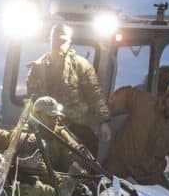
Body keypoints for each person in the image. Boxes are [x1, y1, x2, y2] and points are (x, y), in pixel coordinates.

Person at [25, 23, 111, 154]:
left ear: (69, 42)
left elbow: (95, 94)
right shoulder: (37, 69)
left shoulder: (81, 66)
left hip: (76, 125)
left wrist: (104, 121)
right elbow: (32, 102)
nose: (59, 43)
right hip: (47, 127)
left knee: (88, 148)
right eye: (56, 40)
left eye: (63, 40)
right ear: (50, 40)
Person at [104, 86, 169, 192]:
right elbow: (126, 94)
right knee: (100, 186)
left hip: (148, 175)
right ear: (166, 97)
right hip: (120, 161)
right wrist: (103, 116)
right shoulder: (144, 102)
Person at [13, 96, 85, 196]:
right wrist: (72, 179)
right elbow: (45, 174)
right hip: (45, 192)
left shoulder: (59, 132)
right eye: (49, 117)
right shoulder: (27, 138)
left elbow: (75, 149)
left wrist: (81, 171)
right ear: (37, 116)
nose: (54, 120)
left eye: (56, 117)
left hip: (64, 185)